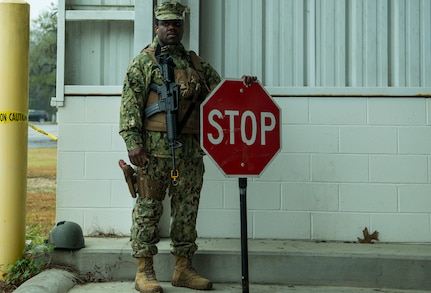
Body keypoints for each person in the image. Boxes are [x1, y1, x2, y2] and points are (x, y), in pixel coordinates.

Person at [119, 2, 257, 293]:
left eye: (176, 24)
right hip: (153, 154)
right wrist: (133, 143)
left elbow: (223, 95)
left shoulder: (196, 64)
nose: (172, 28)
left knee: (186, 212)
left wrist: (244, 86)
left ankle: (183, 268)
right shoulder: (143, 63)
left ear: (182, 26)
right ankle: (144, 271)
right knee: (148, 211)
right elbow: (130, 104)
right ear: (157, 26)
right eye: (166, 23)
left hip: (190, 153)